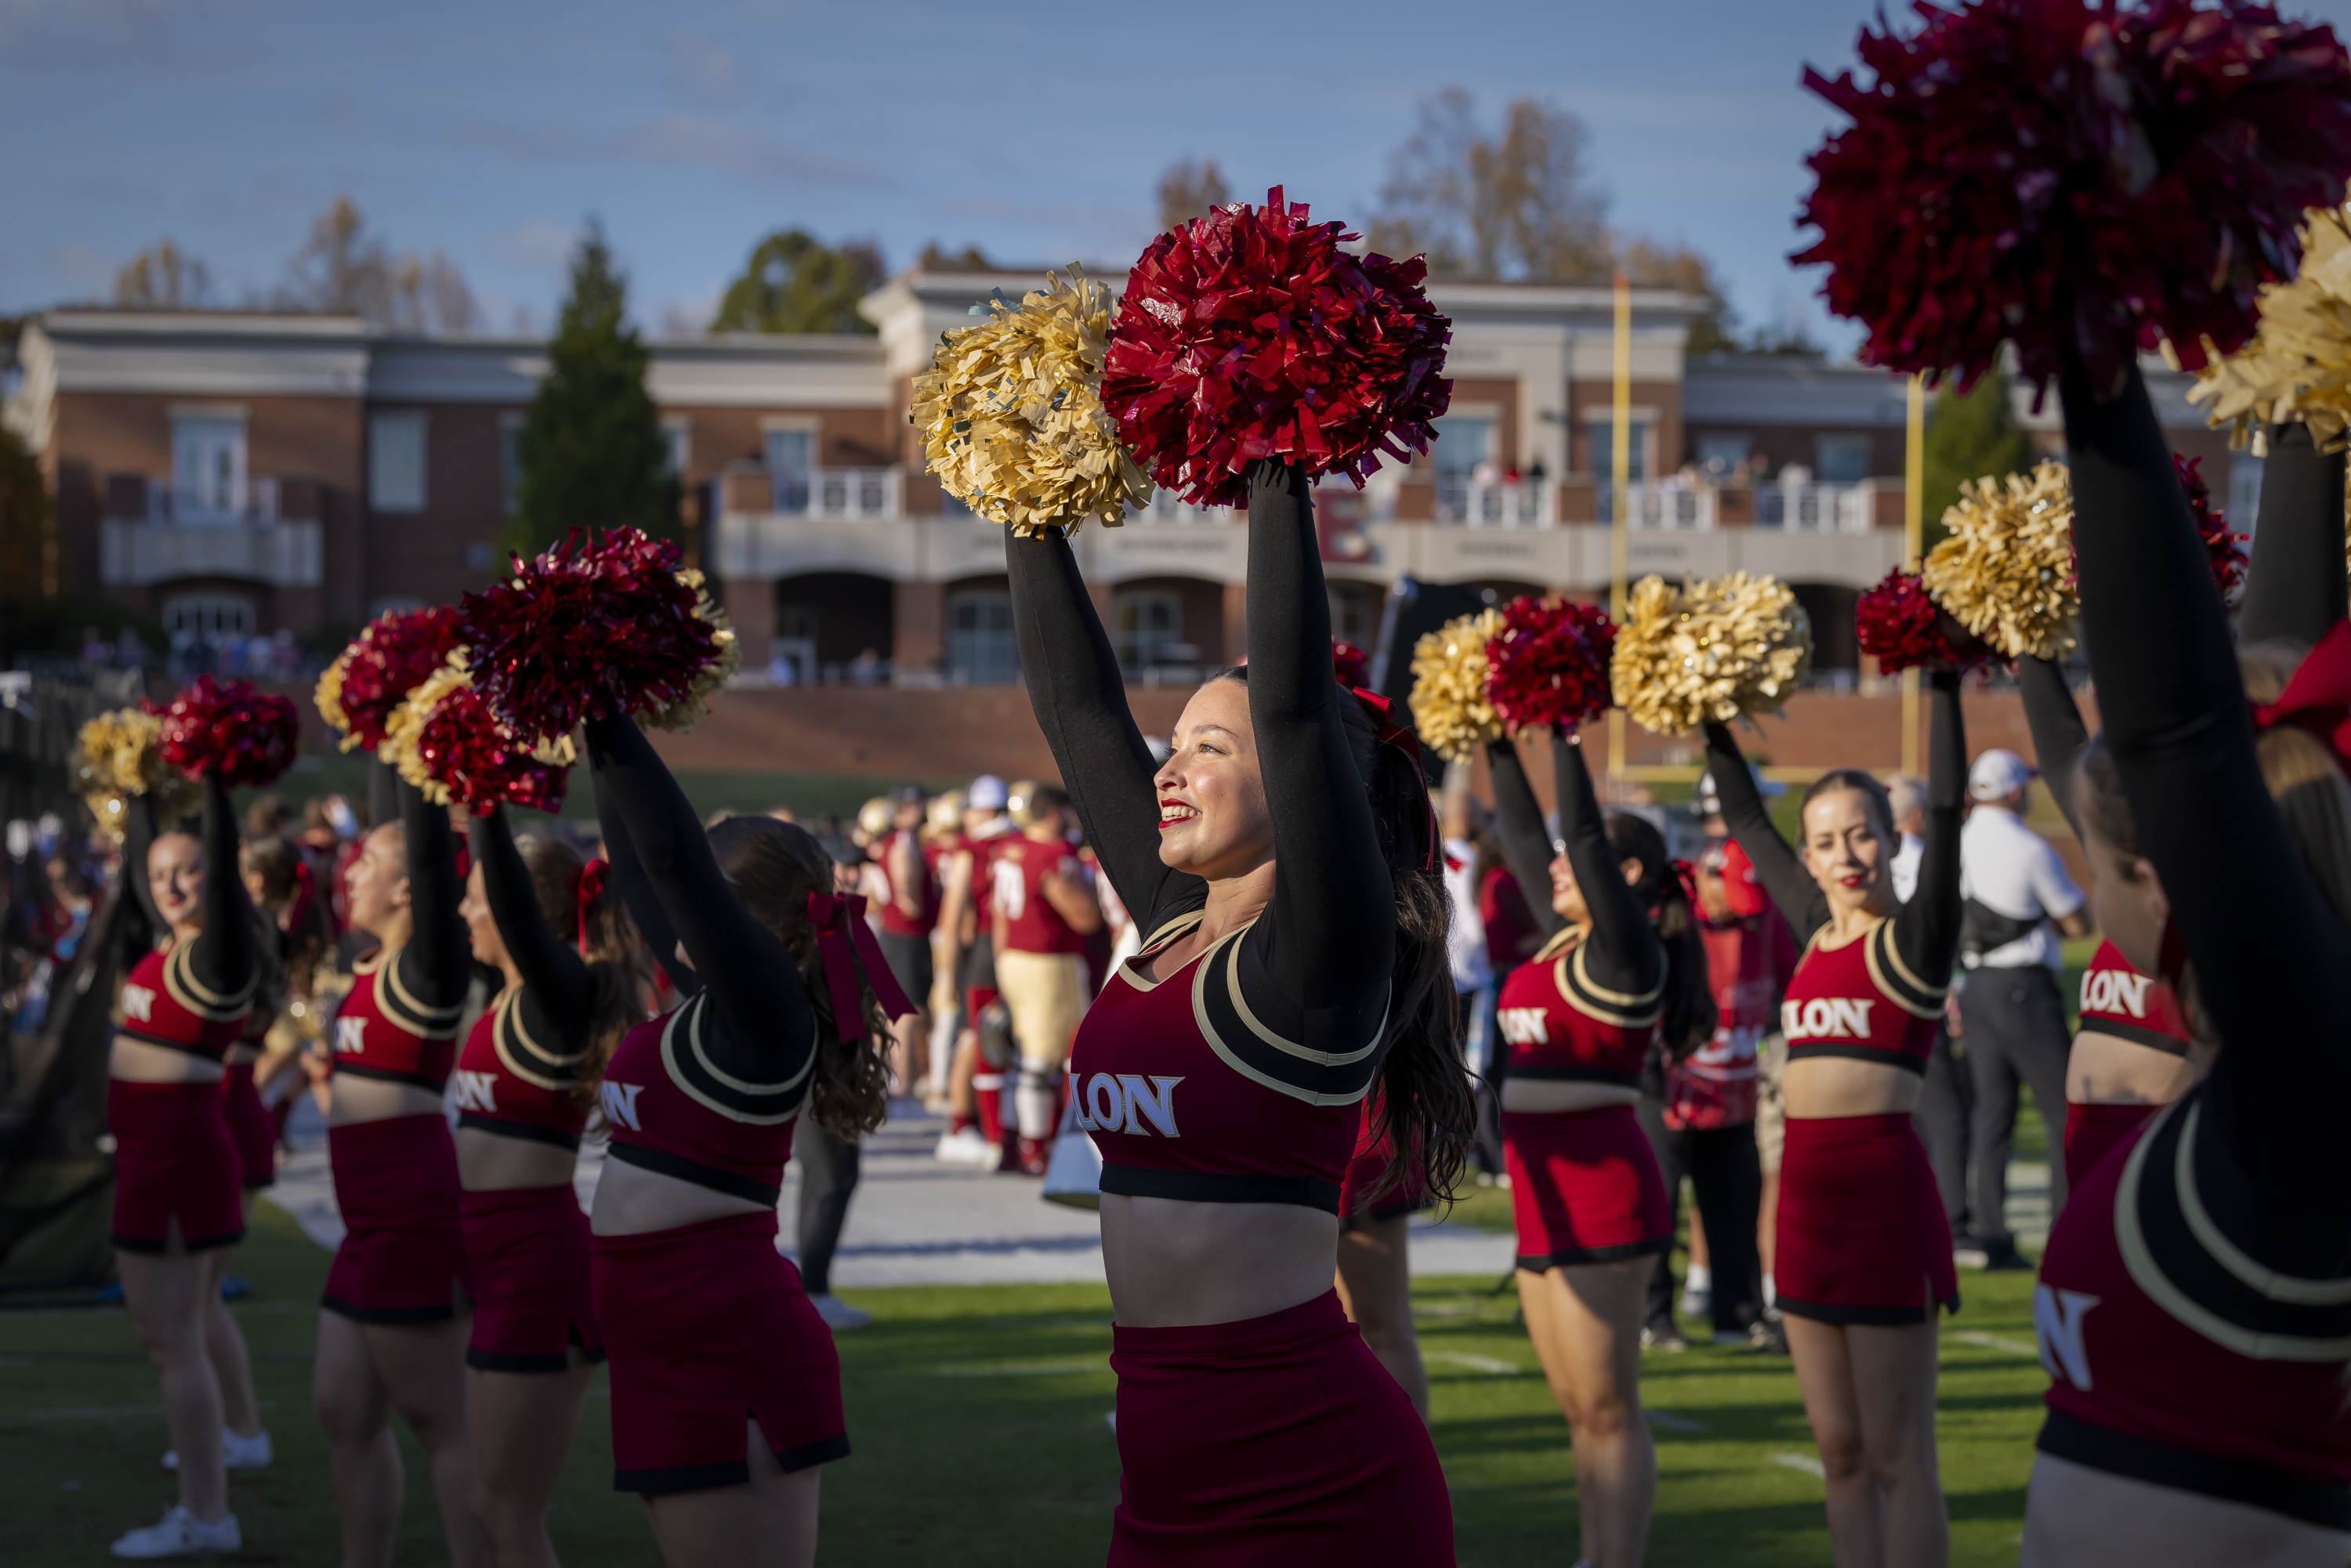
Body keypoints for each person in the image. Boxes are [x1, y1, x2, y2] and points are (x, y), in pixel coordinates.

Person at [1009, 459, 1470, 1561]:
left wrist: (1278, 452)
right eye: (1175, 746)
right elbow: (1077, 708)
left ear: (1307, 792)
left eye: (1211, 749)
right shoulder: (1173, 918)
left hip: (1315, 1476)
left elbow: (1300, 707)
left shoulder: (1322, 960)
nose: (1169, 770)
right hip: (1164, 1473)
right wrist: (1020, 494)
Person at [2013, 335, 2351, 1560]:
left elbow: (2186, 724)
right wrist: (2319, 391)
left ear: (2162, 873)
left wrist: (2089, 332)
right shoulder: (2251, 1085)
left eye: (2093, 857)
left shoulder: (2305, 1085)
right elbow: (2255, 710)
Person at [585, 712, 898, 1566]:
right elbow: (642, 863)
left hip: (724, 1344)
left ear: (751, 921)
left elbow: (673, 858)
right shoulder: (710, 998)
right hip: (660, 1342)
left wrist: (612, 710)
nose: (675, 912)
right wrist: (580, 696)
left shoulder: (767, 1017)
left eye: (706, 907)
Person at [1704, 666, 1966, 1567]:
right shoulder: (1813, 924)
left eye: (1864, 834)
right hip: (1807, 1216)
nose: (1847, 853)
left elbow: (1958, 807)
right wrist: (1700, 697)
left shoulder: (1918, 937)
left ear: (1896, 839)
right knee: (1842, 1456)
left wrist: (1942, 683)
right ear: (1806, 857)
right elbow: (1743, 816)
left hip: (1886, 1206)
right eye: (1826, 841)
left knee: (1902, 1458)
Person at [1487, 721, 1716, 1567]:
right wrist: (1495, 739)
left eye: (1576, 859)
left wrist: (1561, 725)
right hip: (1542, 1194)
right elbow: (1525, 835)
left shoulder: (1628, 953)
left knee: (1609, 1407)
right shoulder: (1558, 938)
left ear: (1625, 877)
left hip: (1604, 1196)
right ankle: (1592, 1555)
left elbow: (1578, 830)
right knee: (1577, 1411)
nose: (1554, 865)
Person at [455, 805, 644, 1566]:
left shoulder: (552, 1001)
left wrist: (482, 801)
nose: (465, 909)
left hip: (538, 1269)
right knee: (487, 1502)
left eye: (478, 895)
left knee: (507, 1510)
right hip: (501, 1265)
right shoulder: (502, 996)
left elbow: (512, 905)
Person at [317, 772, 488, 1568]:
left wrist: (422, 751)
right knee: (342, 1410)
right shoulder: (362, 969)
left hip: (414, 1218)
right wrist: (389, 738)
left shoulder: (427, 972)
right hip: (363, 1227)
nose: (349, 873)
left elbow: (426, 847)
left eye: (368, 863)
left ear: (409, 890)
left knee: (441, 1425)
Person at [107, 781, 255, 1559]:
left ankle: (205, 1515)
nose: (168, 885)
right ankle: (241, 1440)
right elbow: (140, 869)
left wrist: (216, 777)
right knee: (190, 1328)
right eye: (160, 871)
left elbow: (222, 873)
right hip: (156, 1158)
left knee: (171, 1341)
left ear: (218, 875)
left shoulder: (217, 953)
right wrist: (136, 788)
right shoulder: (165, 944)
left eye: (188, 871)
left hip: (174, 1162)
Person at [1644, 830, 1796, 1349]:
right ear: (1704, 880)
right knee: (1657, 1207)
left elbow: (1790, 982)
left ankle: (1740, 1314)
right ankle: (1653, 1315)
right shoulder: (1672, 919)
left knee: (1737, 1206)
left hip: (1736, 1091)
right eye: (1730, 900)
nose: (1740, 913)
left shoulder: (1762, 915)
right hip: (1673, 1092)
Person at [1954, 748, 2090, 1268]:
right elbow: (2076, 920)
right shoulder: (2029, 846)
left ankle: (1991, 1232)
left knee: (1992, 1113)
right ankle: (2065, 1229)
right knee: (2063, 1111)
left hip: (1976, 985)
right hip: (2023, 987)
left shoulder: (1960, 841)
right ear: (2013, 791)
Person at [990, 780, 1102, 1174]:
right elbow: (1084, 918)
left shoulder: (1008, 847)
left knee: (1022, 1056)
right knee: (1041, 1058)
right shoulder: (1054, 853)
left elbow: (1000, 917)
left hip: (1013, 959)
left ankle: (1008, 1138)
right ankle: (1032, 1148)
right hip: (1048, 961)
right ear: (1053, 812)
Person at [1887, 774, 1973, 1240]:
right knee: (1945, 1114)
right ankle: (1951, 1221)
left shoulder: (1876, 866)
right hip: (1925, 1001)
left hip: (1877, 1003)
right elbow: (1949, 940)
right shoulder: (1931, 865)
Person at [873, 787, 937, 1099]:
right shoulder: (902, 840)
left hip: (896, 932)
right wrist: (912, 903)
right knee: (905, 1009)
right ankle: (901, 1080)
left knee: (891, 1006)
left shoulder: (894, 840)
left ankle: (892, 1075)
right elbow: (903, 875)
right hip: (906, 933)